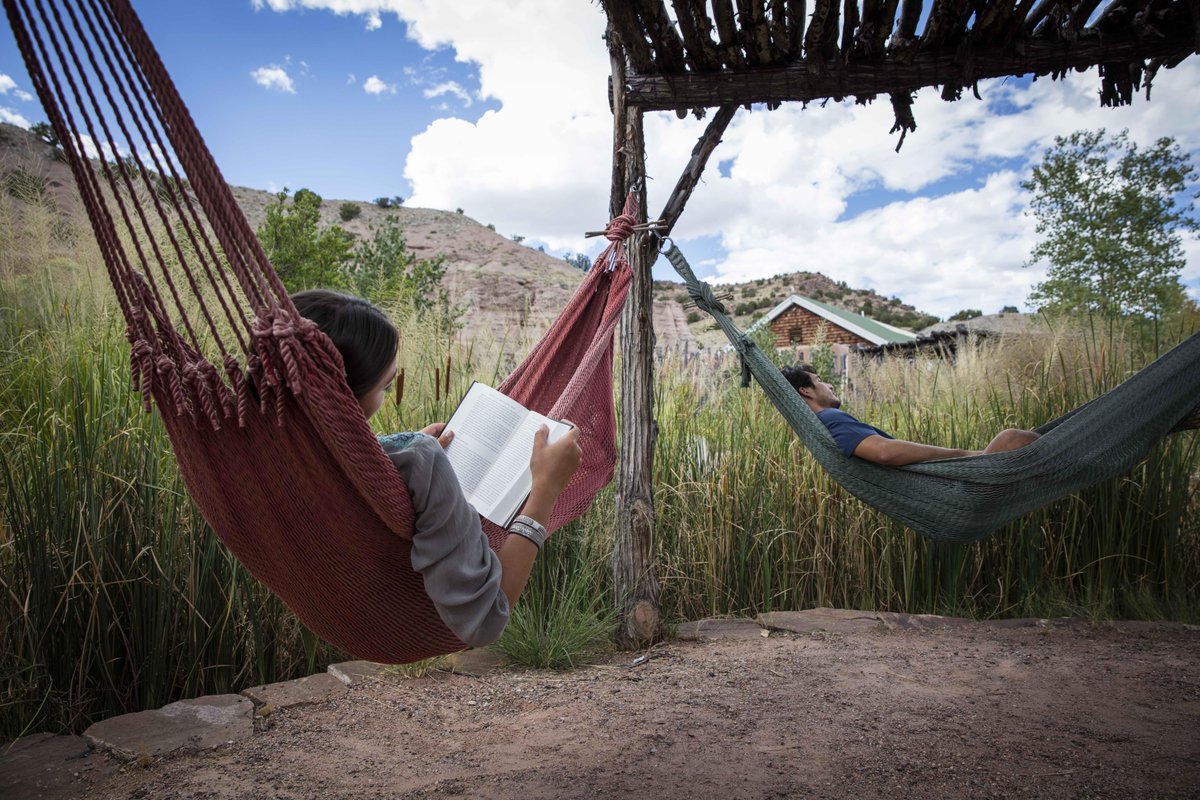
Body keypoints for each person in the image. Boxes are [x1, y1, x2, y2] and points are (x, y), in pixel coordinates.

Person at [292, 289, 581, 647]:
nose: (385, 394)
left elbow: (330, 448)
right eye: (385, 385)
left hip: (327, 612)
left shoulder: (263, 450)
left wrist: (393, 448)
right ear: (342, 391)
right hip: (391, 626)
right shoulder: (421, 460)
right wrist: (545, 490)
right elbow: (485, 618)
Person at [781, 363, 1039, 467]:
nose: (829, 385)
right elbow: (884, 452)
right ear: (806, 391)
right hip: (948, 488)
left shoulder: (819, 426)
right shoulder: (830, 419)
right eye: (820, 380)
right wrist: (963, 454)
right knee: (1012, 438)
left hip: (937, 486)